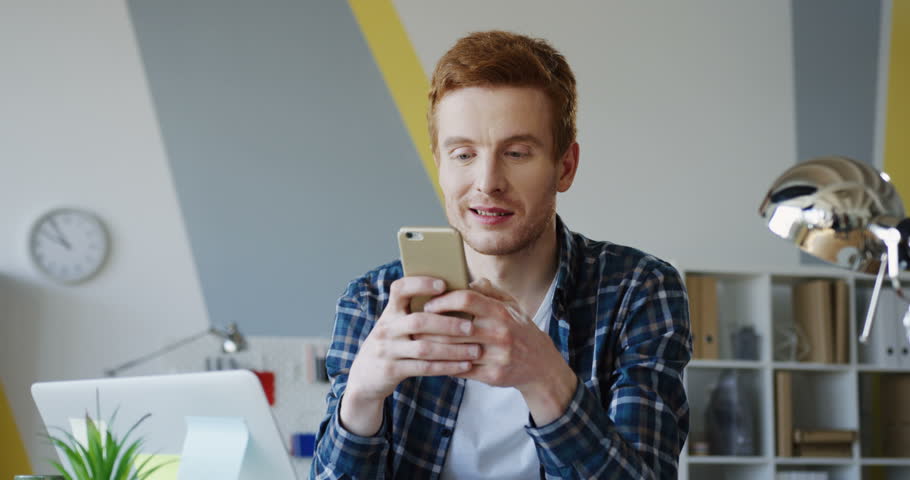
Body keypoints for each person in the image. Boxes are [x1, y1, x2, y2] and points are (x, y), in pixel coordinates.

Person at [311, 30, 691, 479]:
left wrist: (544, 378)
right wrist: (361, 399)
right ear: (440, 164)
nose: (488, 181)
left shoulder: (639, 291)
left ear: (564, 166)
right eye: (464, 153)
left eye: (515, 152)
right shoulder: (371, 303)